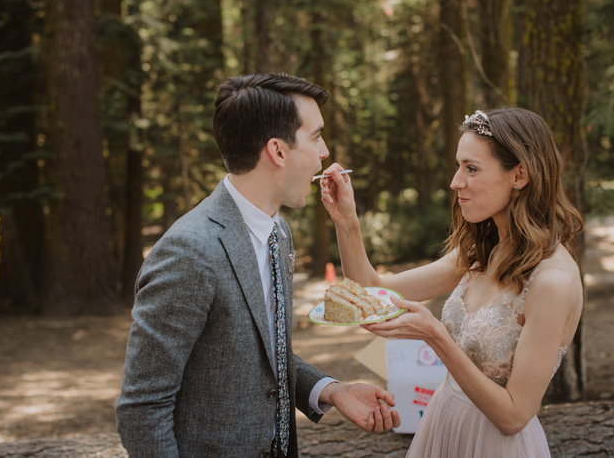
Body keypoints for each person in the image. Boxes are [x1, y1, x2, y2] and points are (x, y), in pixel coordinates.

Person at [115, 73, 400, 458]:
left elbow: (263, 354)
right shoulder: (188, 252)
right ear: (278, 151)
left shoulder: (278, 233)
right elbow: (142, 408)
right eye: (316, 137)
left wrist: (331, 390)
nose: (325, 153)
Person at [319, 108, 584, 457]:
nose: (455, 182)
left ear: (519, 175)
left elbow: (514, 416)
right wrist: (346, 220)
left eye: (471, 169)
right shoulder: (479, 252)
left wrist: (436, 337)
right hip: (443, 424)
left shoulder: (553, 282)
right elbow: (374, 290)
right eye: (459, 166)